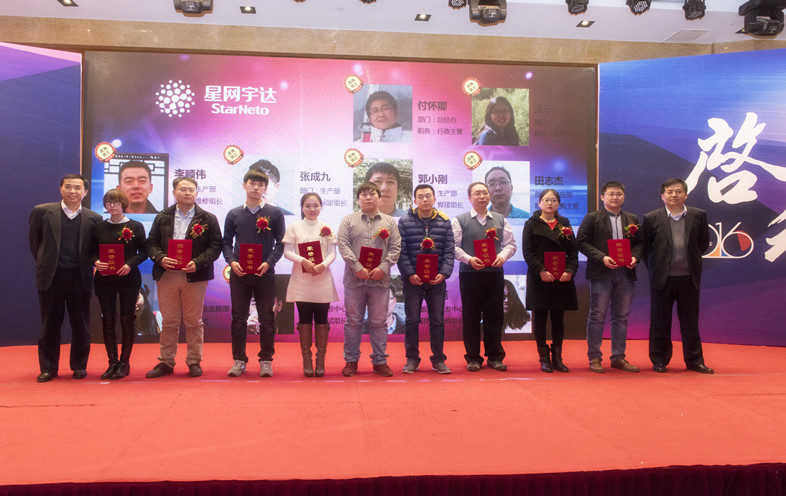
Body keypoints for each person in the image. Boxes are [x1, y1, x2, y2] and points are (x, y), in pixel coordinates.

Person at [144, 177, 222, 378]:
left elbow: (216, 246)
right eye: (183, 189)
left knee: (194, 321)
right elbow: (151, 243)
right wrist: (160, 258)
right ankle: (166, 362)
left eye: (191, 189)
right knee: (169, 321)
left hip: (195, 276)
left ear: (196, 193)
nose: (187, 193)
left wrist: (198, 262)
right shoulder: (162, 216)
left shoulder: (208, 218)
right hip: (167, 275)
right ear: (174, 192)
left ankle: (194, 361)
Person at [29, 174, 102, 382]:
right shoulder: (42, 212)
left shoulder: (94, 218)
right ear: (60, 189)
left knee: (81, 325)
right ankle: (48, 368)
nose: (72, 191)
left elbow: (94, 249)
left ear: (85, 192)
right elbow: (35, 244)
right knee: (50, 325)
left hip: (80, 277)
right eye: (68, 186)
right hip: (52, 277)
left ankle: (79, 366)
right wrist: (47, 263)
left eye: (77, 188)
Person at [642, 178, 714, 374]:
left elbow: (702, 244)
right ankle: (659, 360)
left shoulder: (698, 215)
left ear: (686, 194)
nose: (674, 195)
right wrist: (657, 268)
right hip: (662, 279)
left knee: (690, 322)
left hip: (689, 278)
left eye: (678, 191)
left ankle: (694, 360)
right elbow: (646, 249)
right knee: (659, 321)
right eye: (670, 191)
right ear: (662, 196)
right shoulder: (651, 218)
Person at [223, 169, 285, 378]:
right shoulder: (233, 214)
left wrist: (269, 263)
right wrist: (232, 261)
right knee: (238, 319)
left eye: (260, 185)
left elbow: (280, 244)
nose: (256, 188)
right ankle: (239, 360)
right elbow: (226, 243)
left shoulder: (275, 213)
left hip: (264, 274)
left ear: (265, 188)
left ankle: (266, 360)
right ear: (244, 185)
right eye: (252, 183)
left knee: (267, 318)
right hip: (239, 274)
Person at [577, 181, 643, 373]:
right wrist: (602, 257)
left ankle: (618, 357)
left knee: (621, 317)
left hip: (625, 273)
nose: (615, 197)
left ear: (624, 197)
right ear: (602, 197)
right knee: (597, 316)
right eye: (611, 194)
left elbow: (640, 243)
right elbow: (581, 242)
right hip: (601, 273)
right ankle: (595, 357)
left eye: (619, 194)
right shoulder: (592, 218)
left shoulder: (632, 218)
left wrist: (634, 257)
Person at [337, 182, 401, 377]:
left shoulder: (389, 222)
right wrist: (357, 268)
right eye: (364, 194)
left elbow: (396, 248)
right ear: (358, 199)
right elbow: (343, 245)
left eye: (372, 194)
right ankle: (351, 361)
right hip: (354, 280)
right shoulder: (348, 220)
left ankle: (380, 361)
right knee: (353, 322)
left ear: (379, 198)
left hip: (380, 281)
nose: (368, 197)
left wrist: (384, 268)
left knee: (379, 322)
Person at [451, 182, 517, 372]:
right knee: (471, 317)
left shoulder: (500, 219)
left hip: (494, 274)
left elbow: (511, 244)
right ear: (469, 197)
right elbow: (453, 246)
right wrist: (469, 259)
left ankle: (495, 357)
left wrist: (502, 256)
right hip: (470, 274)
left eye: (484, 193)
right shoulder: (460, 220)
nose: (482, 196)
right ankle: (473, 358)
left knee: (494, 316)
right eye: (477, 193)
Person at [89, 188, 147, 379]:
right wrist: (96, 261)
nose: (112, 205)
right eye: (109, 202)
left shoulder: (135, 226)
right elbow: (90, 252)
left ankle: (124, 362)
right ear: (105, 205)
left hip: (128, 279)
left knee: (126, 320)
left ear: (123, 204)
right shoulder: (98, 227)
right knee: (108, 320)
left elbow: (144, 252)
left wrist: (130, 264)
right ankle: (112, 362)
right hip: (105, 280)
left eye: (116, 202)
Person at [397, 184, 455, 374]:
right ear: (414, 200)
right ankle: (412, 359)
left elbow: (449, 251)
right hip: (413, 281)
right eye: (420, 196)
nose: (425, 199)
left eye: (428, 196)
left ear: (434, 199)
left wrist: (444, 273)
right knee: (412, 320)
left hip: (437, 280)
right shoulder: (405, 222)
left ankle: (438, 359)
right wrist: (409, 274)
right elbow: (401, 252)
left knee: (437, 321)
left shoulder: (444, 222)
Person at [522, 189, 578, 373]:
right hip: (540, 278)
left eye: (553, 200)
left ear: (558, 204)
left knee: (558, 318)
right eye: (546, 200)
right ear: (539, 203)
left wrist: (570, 270)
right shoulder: (531, 224)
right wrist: (541, 270)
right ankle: (543, 357)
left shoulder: (565, 223)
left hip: (561, 278)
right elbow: (528, 252)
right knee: (539, 318)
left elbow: (573, 251)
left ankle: (558, 358)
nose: (549, 203)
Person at [282, 192, 339, 377]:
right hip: (302, 281)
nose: (312, 209)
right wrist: (303, 261)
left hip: (322, 279)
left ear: (321, 207)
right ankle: (307, 359)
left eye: (315, 205)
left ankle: (320, 359)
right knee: (304, 319)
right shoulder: (294, 227)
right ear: (302, 208)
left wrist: (323, 265)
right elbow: (287, 252)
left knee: (322, 319)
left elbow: (332, 253)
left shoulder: (327, 228)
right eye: (308, 206)